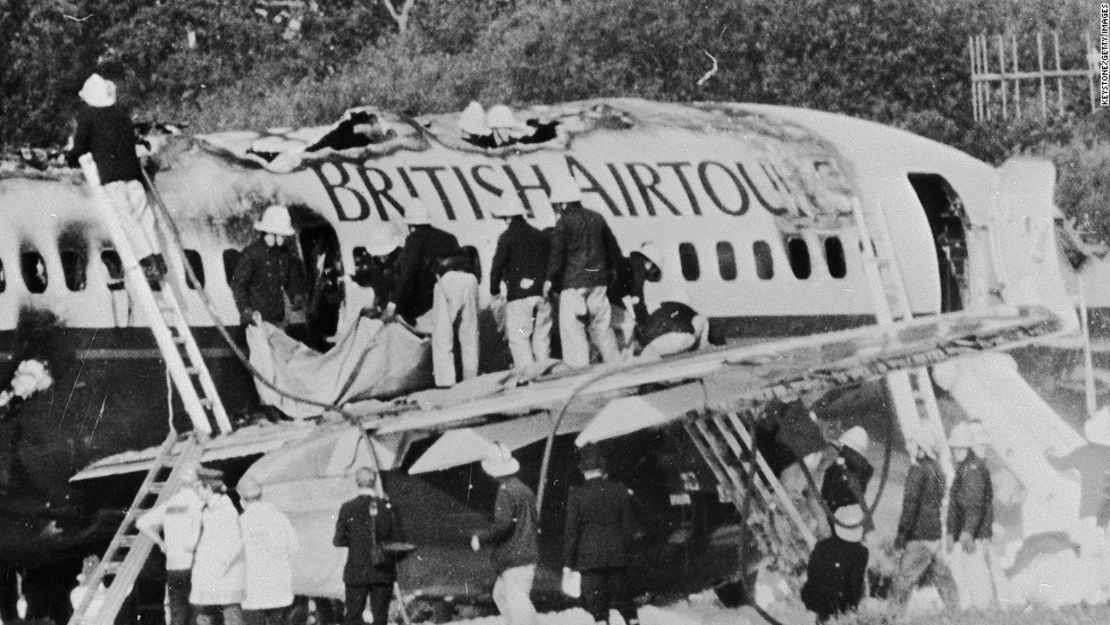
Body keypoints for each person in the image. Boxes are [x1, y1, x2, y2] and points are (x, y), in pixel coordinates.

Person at [65, 73, 164, 286]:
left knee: (126, 219)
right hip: (133, 174)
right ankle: (158, 257)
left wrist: (70, 158)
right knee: (144, 216)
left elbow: (80, 148)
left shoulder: (87, 117)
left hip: (112, 177)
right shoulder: (122, 115)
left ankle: (147, 261)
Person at [543, 183, 623, 368]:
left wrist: (549, 279)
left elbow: (557, 254)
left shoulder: (564, 221)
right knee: (603, 326)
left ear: (563, 203)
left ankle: (578, 369)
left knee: (573, 329)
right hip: (599, 281)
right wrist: (611, 273)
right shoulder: (598, 218)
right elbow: (613, 249)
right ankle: (615, 366)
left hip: (573, 282)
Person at [562, 445, 639, 625]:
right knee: (625, 602)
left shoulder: (577, 495)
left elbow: (571, 533)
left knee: (598, 608)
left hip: (588, 559)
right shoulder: (619, 490)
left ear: (582, 469)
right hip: (617, 557)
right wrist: (628, 554)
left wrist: (568, 564)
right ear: (602, 468)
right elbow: (628, 528)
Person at [890, 426, 958, 610]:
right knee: (942, 577)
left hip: (919, 535)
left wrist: (901, 538)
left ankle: (892, 618)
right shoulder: (938, 470)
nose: (908, 446)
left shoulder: (916, 471)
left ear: (922, 447)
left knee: (903, 580)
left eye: (912, 443)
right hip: (934, 534)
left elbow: (910, 508)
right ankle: (957, 614)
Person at [471, 444, 539, 625]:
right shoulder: (524, 489)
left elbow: (503, 525)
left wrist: (481, 538)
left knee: (518, 608)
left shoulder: (505, 492)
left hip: (514, 558)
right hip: (527, 554)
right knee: (501, 595)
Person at [135, 466, 207, 625]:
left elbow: (141, 523)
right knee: (198, 614)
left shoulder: (170, 504)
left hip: (174, 567)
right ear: (197, 482)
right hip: (194, 566)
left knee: (178, 613)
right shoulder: (199, 503)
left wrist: (160, 542)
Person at [333, 467, 405, 625]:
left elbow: (338, 540)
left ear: (357, 482)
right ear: (374, 482)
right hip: (383, 570)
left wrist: (356, 541)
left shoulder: (347, 508)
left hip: (356, 570)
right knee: (380, 617)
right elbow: (399, 541)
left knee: (352, 616)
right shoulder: (388, 507)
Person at [489, 193, 553, 368]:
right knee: (542, 340)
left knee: (519, 339)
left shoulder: (506, 237)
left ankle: (527, 381)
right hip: (542, 295)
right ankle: (546, 377)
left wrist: (494, 290)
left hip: (519, 296)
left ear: (508, 217)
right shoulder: (541, 236)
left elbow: (497, 267)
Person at [231, 205, 307, 328]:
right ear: (271, 233)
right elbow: (239, 285)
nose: (284, 238)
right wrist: (245, 310)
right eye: (282, 234)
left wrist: (295, 295)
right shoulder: (252, 254)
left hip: (278, 317)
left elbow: (290, 278)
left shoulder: (284, 254)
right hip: (257, 320)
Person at [946, 421, 995, 610]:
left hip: (971, 534)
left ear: (967, 447)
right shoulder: (963, 468)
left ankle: (983, 612)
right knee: (962, 574)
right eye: (954, 448)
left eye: (960, 448)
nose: (956, 452)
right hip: (963, 533)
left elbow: (974, 506)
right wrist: (951, 532)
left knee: (976, 573)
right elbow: (954, 506)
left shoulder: (973, 470)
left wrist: (967, 532)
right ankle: (967, 611)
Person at [238, 476, 299, 625]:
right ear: (261, 495)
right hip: (278, 588)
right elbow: (294, 549)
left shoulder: (240, 523)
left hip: (252, 590)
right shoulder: (280, 519)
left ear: (242, 500)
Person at [190, 469, 246, 625]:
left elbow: (234, 543)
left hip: (224, 575)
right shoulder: (208, 510)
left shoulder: (225, 510)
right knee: (204, 616)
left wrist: (217, 566)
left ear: (208, 488)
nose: (197, 492)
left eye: (199, 488)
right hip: (210, 576)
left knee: (231, 616)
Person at [800, 504, 869, 623]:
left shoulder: (821, 546)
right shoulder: (861, 553)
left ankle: (822, 618)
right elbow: (855, 585)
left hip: (815, 601)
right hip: (840, 605)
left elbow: (812, 576)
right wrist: (852, 606)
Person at [608, 243, 662, 350]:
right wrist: (646, 324)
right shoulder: (639, 268)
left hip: (604, 295)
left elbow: (616, 298)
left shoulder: (629, 263)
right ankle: (624, 354)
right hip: (603, 296)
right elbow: (637, 300)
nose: (649, 277)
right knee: (627, 324)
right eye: (654, 272)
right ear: (650, 263)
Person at [637, 288, 709, 358]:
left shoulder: (657, 312)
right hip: (681, 341)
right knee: (701, 319)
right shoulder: (686, 310)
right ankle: (701, 350)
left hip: (654, 347)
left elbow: (647, 331)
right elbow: (699, 321)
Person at [820, 426, 873, 516]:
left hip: (838, 501)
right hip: (848, 502)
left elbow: (829, 480)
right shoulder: (864, 467)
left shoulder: (843, 460)